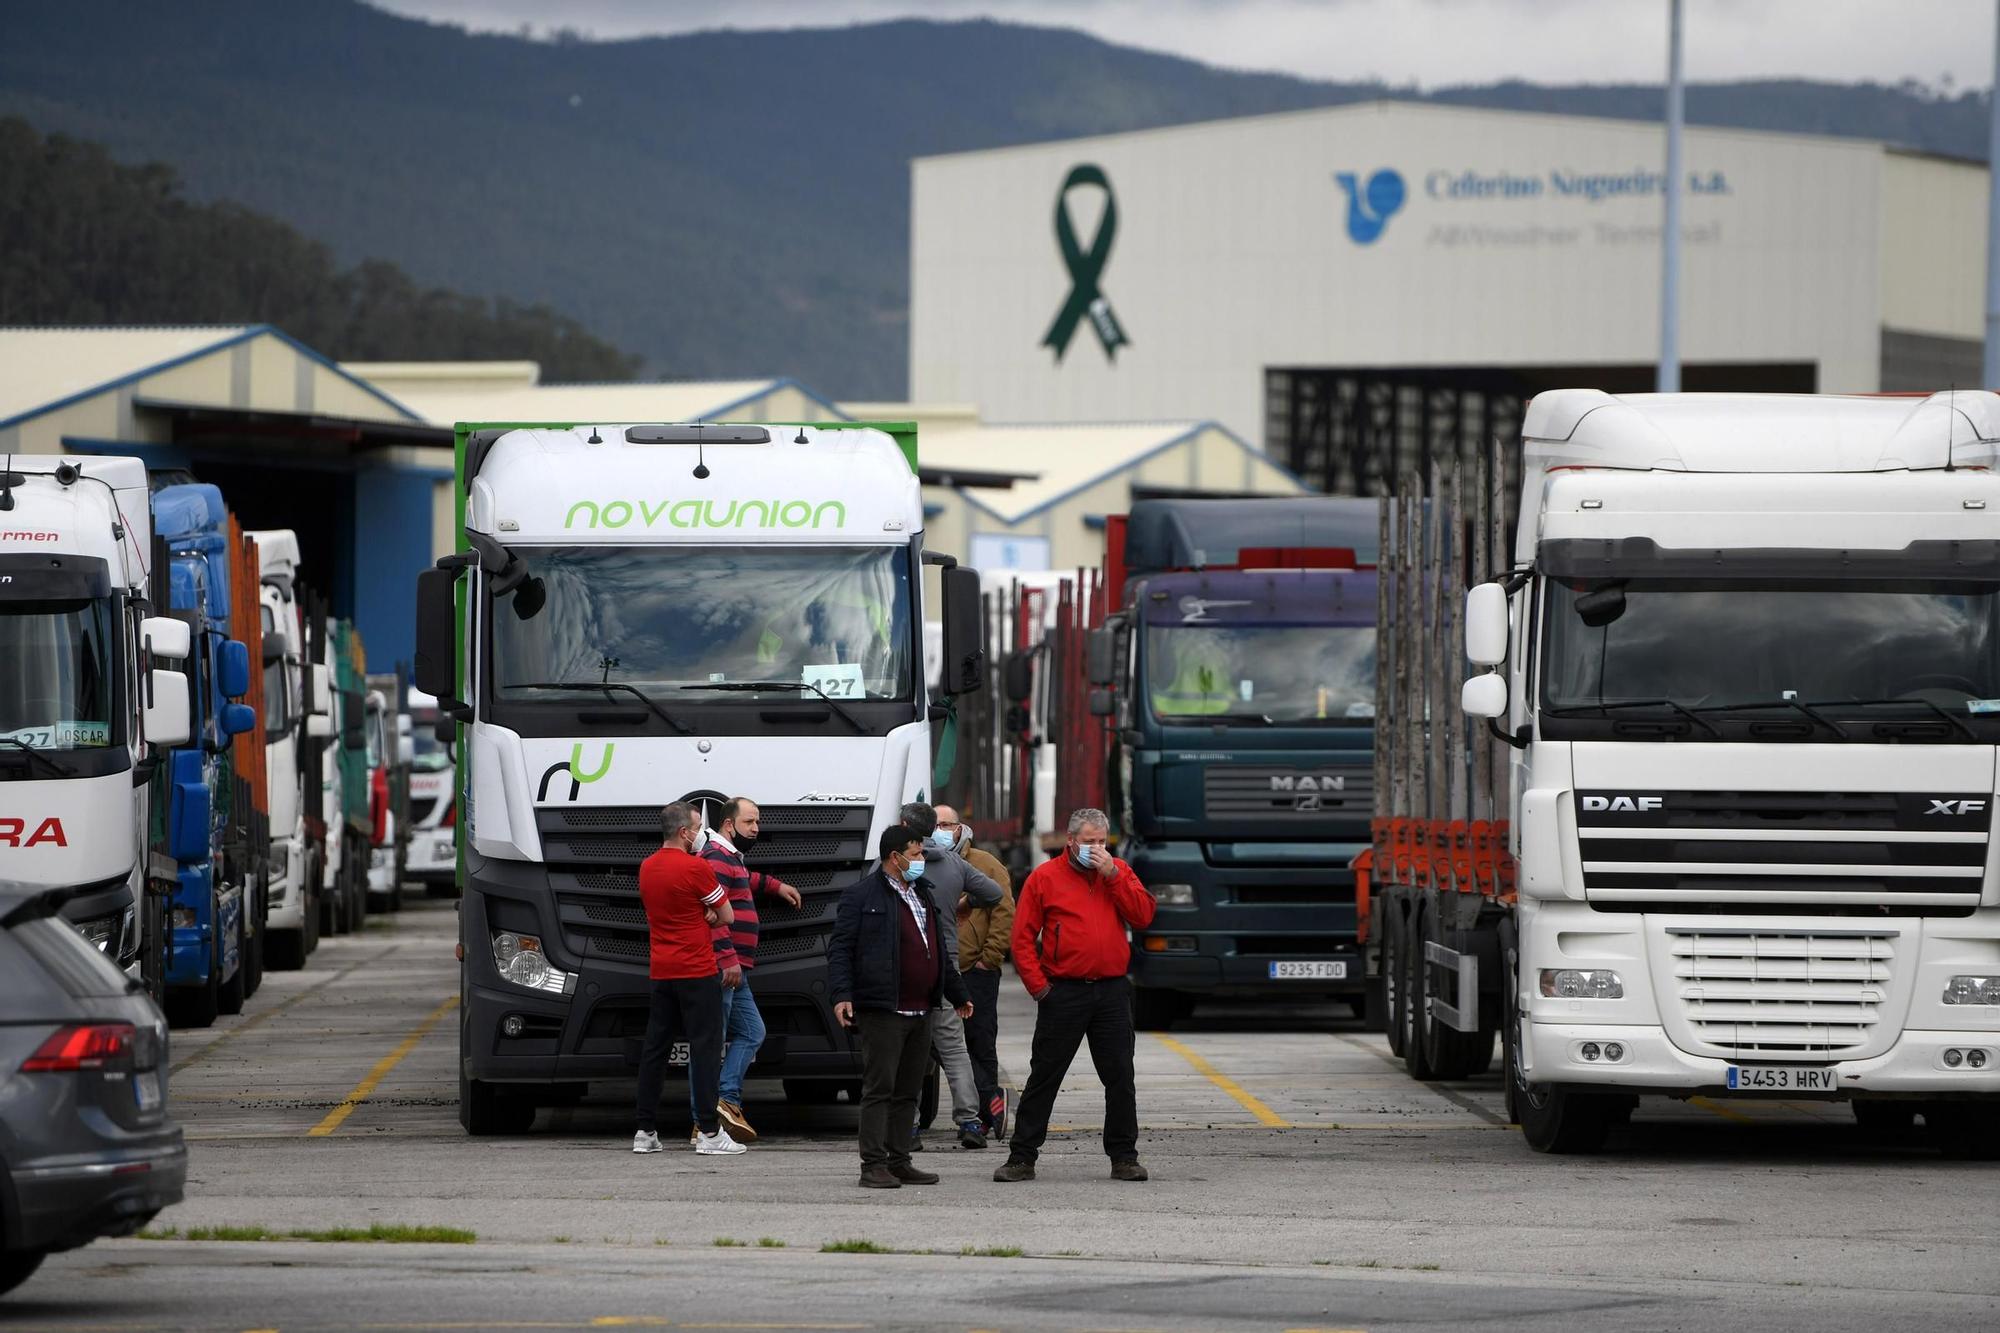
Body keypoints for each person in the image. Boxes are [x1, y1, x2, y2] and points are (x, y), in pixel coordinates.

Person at [993, 808, 1156, 1184]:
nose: (1096, 849)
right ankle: (1022, 1157)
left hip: (1112, 991)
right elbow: (1021, 939)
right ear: (1070, 841)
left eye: (1102, 842)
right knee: (1044, 1076)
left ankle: (1124, 1157)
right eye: (1088, 842)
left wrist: (1113, 876)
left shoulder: (1117, 872)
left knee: (1119, 1077)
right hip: (1063, 991)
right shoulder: (1044, 878)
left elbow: (1144, 915)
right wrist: (1040, 989)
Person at [828, 825, 973, 1189]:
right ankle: (873, 1165)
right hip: (883, 1010)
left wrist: (957, 993)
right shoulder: (861, 896)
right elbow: (841, 950)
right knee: (880, 1088)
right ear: (895, 857)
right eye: (916, 853)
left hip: (921, 1009)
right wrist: (842, 994)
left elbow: (936, 949)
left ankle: (900, 1160)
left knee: (909, 1090)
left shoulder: (923, 894)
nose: (922, 860)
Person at [633, 801, 745, 1157]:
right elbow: (726, 914)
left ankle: (645, 1130)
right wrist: (707, 915)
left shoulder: (647, 867)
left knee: (655, 1049)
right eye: (696, 828)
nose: (700, 835)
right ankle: (710, 1133)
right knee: (706, 1049)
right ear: (683, 832)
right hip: (697, 970)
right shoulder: (696, 867)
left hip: (661, 969)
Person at [691, 796, 803, 1146]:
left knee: (752, 1031)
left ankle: (726, 1103)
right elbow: (713, 916)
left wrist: (774, 885)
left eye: (757, 822)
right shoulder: (715, 859)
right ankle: (706, 1121)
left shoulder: (729, 859)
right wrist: (727, 960)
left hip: (736, 969)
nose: (756, 829)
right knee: (712, 1045)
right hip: (726, 968)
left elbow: (744, 880)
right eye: (750, 823)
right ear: (728, 825)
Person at [896, 800, 1002, 1150]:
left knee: (907, 1050)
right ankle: (970, 1121)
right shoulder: (955, 863)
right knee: (955, 1048)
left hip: (906, 969)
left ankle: (907, 1128)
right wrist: (966, 903)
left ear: (903, 824)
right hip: (947, 968)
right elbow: (994, 893)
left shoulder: (896, 863)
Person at [936, 803, 1014, 1138]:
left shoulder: (985, 864)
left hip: (975, 970)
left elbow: (1004, 909)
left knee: (980, 1040)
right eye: (935, 824)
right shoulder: (920, 865)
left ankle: (985, 1115)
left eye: (947, 824)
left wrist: (990, 958)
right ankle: (988, 1099)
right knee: (944, 1045)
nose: (941, 831)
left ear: (960, 828)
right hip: (938, 971)